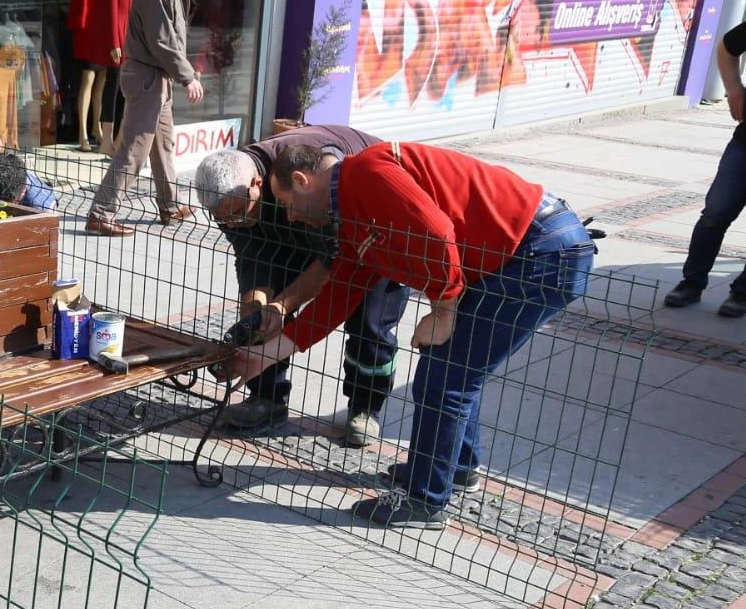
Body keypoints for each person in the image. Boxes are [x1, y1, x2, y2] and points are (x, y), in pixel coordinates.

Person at [232, 141, 595, 529]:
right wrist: (268, 355)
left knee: (445, 379)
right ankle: (455, 467)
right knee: (451, 370)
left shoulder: (368, 172)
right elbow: (343, 290)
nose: (290, 217)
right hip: (523, 253)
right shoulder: (352, 210)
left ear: (303, 181)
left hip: (540, 253)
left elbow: (437, 232)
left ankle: (425, 500)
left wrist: (443, 307)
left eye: (288, 203)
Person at [195, 126, 409, 445]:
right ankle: (265, 399)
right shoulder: (232, 201)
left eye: (238, 214)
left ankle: (365, 409)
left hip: (370, 232)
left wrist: (282, 305)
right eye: (223, 220)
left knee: (369, 325)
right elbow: (252, 255)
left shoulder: (307, 175)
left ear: (257, 183)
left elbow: (332, 260)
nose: (232, 225)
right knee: (259, 317)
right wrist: (257, 314)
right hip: (297, 233)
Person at [663, 1, 746, 319]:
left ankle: (743, 292)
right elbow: (727, 46)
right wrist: (734, 89)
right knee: (714, 214)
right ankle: (691, 284)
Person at [84, 0, 205, 237]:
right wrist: (188, 76)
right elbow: (163, 43)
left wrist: (181, 73)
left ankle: (170, 205)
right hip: (148, 77)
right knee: (135, 150)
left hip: (155, 78)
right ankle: (102, 212)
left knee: (163, 145)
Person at [71, 0, 132, 155]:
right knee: (110, 87)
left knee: (111, 86)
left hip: (119, 38)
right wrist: (115, 43)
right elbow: (110, 11)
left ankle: (106, 138)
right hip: (111, 40)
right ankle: (105, 140)